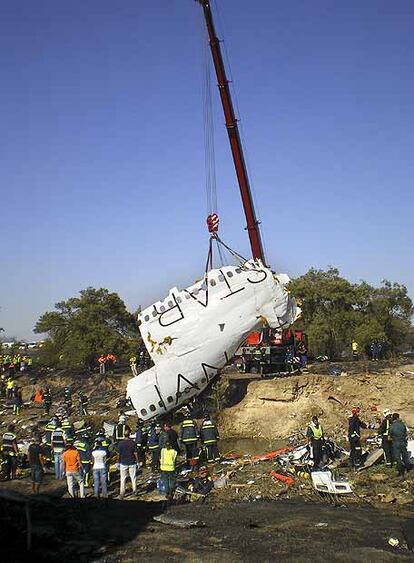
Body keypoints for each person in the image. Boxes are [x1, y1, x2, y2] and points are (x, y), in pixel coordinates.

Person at [118, 428, 138, 499]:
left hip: (123, 462)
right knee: (133, 477)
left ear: (124, 435)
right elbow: (135, 453)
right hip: (132, 462)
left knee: (123, 478)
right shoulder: (133, 443)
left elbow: (119, 454)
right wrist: (137, 461)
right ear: (129, 434)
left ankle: (122, 493)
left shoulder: (120, 443)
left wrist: (118, 462)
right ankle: (135, 490)